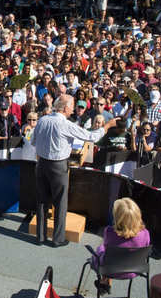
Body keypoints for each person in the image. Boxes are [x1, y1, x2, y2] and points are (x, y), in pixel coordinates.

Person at [32, 94, 117, 246]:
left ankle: (40, 237)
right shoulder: (65, 124)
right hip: (58, 165)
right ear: (65, 108)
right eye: (71, 106)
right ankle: (57, 239)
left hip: (41, 164)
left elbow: (33, 141)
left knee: (42, 201)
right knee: (60, 202)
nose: (73, 110)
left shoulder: (42, 120)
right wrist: (107, 126)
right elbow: (91, 136)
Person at [89, 198, 150, 295]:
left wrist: (100, 249)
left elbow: (106, 250)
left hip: (110, 269)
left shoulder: (110, 232)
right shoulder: (145, 233)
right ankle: (105, 282)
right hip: (134, 270)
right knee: (115, 254)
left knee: (101, 250)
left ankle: (104, 281)